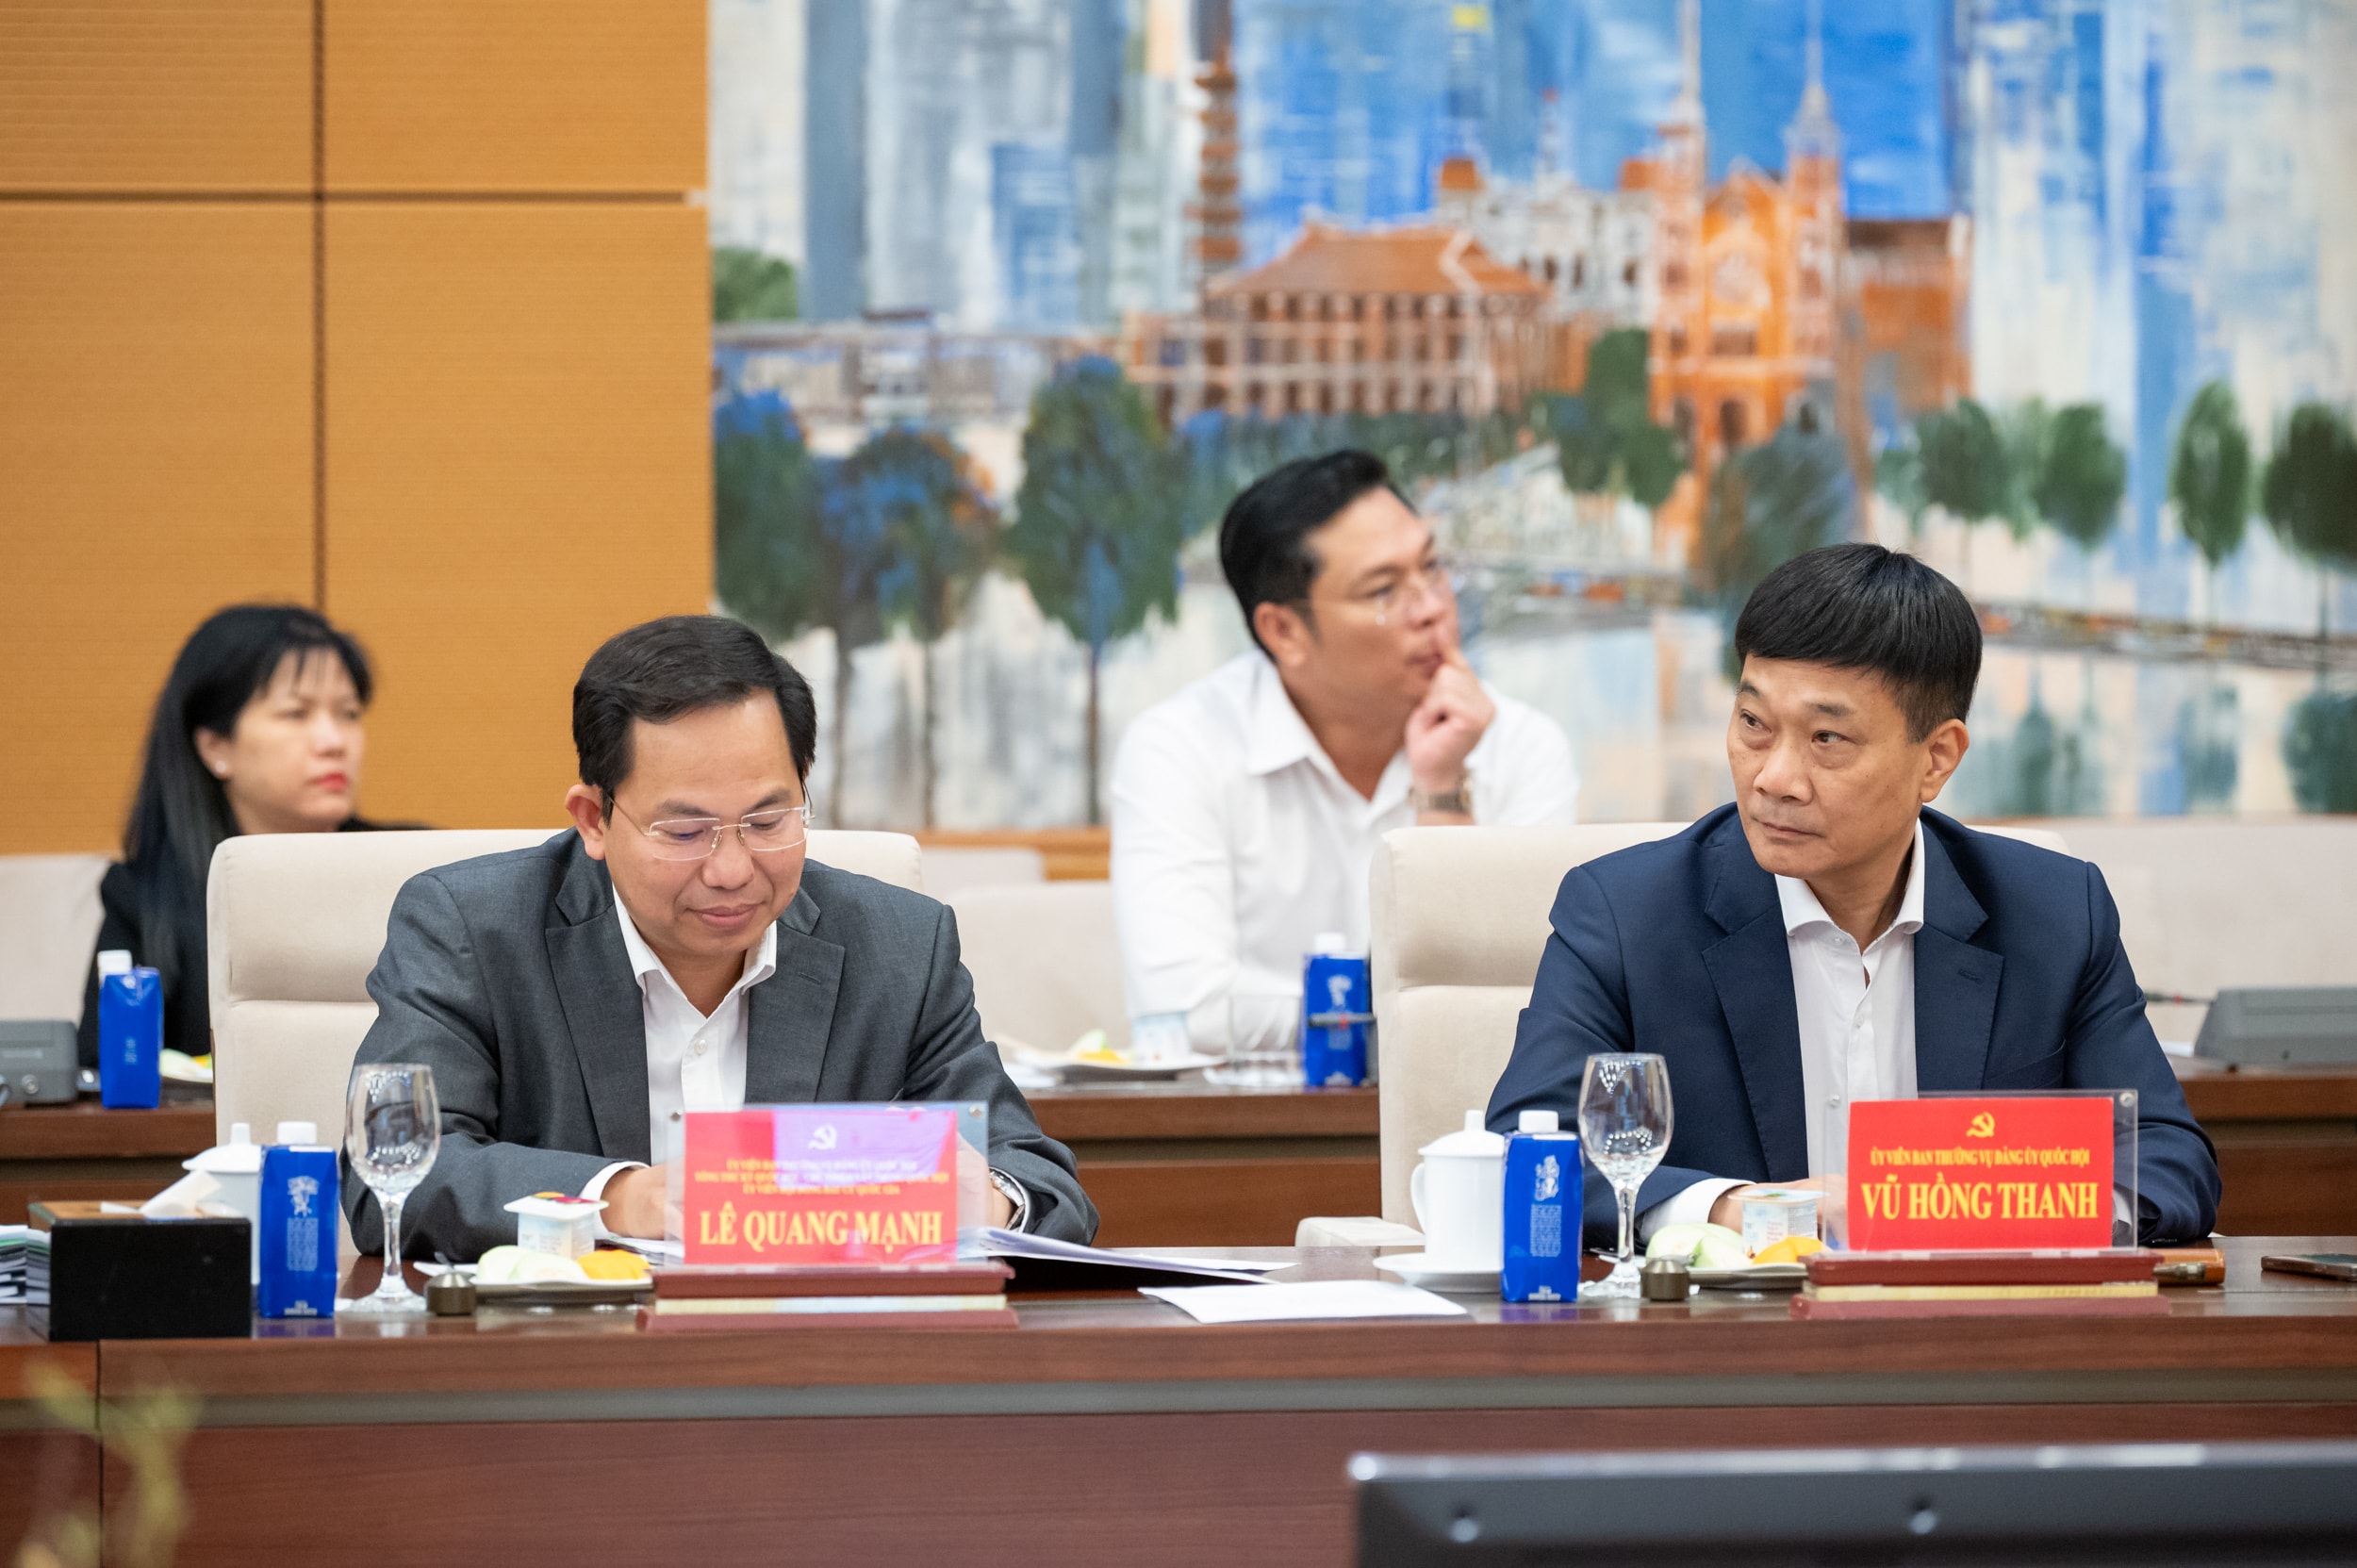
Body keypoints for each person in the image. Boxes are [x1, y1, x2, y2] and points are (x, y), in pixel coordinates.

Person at [1486, 544, 2220, 1246]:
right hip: (1733, 1327)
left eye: (1827, 740)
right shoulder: (1626, 915)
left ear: (1937, 759)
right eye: (1753, 724)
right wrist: (1747, 1211)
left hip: (1966, 1327)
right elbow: (1525, 1147)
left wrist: (1972, 1210)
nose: (1774, 777)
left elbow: (2169, 1161)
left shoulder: (2053, 916)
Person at [342, 615, 1095, 1260]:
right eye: (685, 830)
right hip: (572, 1361)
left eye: (768, 821)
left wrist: (991, 1202)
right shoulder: (472, 929)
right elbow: (392, 1178)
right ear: (595, 819)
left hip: (813, 1362)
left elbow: (1042, 1182)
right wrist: (621, 1200)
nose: (732, 869)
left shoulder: (899, 946)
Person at [1113, 450, 1578, 1050]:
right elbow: (1185, 1010)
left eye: (1432, 567)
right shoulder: (1181, 749)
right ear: (1284, 631)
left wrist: (1442, 792)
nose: (1433, 608)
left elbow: (1522, 1005)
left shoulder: (1521, 747)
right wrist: (1385, 1017)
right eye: (1384, 590)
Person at [78, 604, 395, 1067]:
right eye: (296, 713)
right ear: (215, 747)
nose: (334, 741)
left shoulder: (417, 868)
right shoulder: (143, 897)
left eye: (348, 713)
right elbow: (105, 1068)